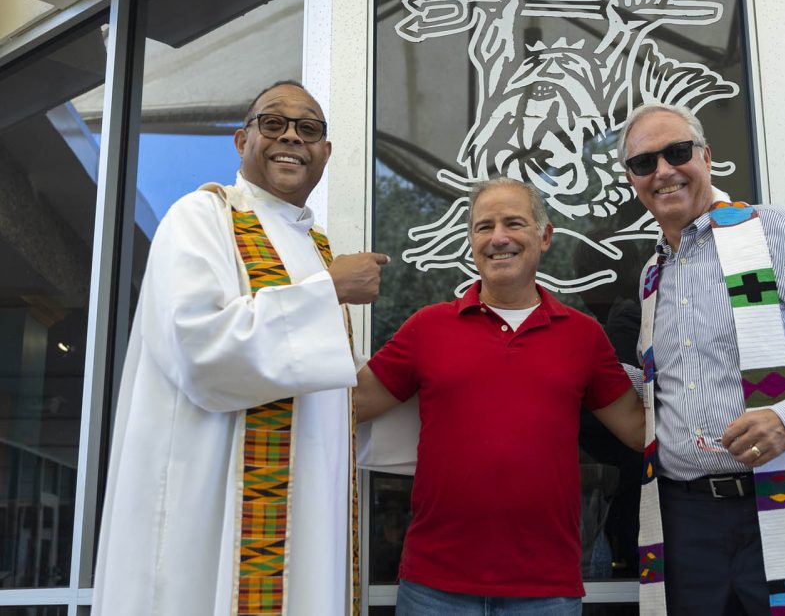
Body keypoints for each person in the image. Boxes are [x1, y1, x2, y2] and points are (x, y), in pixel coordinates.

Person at [92, 80, 389, 616]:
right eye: (273, 124)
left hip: (310, 512)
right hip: (214, 518)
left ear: (326, 150)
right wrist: (331, 290)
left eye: (309, 129)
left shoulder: (315, 247)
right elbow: (200, 350)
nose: (291, 137)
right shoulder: (203, 217)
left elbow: (330, 390)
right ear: (240, 140)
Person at [618, 103, 785, 615]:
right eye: (644, 163)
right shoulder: (653, 276)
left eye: (677, 153)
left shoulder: (773, 232)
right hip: (687, 520)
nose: (664, 172)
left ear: (707, 157)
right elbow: (665, 392)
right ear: (633, 179)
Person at [354, 177, 645, 615]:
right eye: (483, 226)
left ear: (544, 237)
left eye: (514, 223)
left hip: (546, 588)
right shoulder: (427, 328)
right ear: (471, 239)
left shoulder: (583, 336)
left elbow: (641, 429)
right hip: (435, 587)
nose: (498, 238)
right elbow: (347, 406)